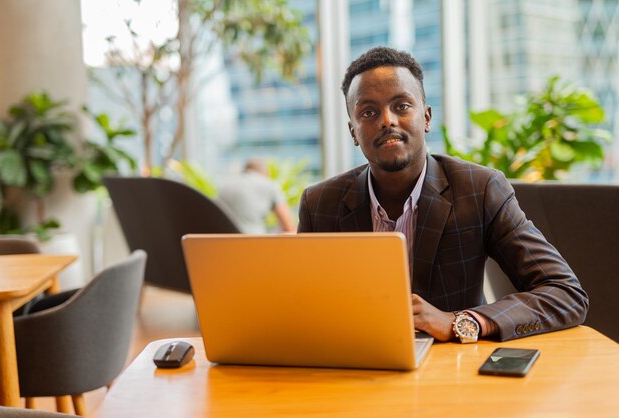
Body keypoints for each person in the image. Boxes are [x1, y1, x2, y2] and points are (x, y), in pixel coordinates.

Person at [298, 46, 588, 342]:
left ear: (426, 117)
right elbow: (300, 307)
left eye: (402, 106)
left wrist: (461, 321)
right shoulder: (320, 204)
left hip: (453, 371)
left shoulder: (479, 189)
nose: (387, 120)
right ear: (353, 133)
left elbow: (564, 292)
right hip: (356, 365)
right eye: (368, 112)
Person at [218, 158, 296, 234]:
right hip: (254, 240)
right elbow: (288, 225)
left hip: (225, 241)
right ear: (265, 172)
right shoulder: (268, 184)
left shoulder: (224, 185)